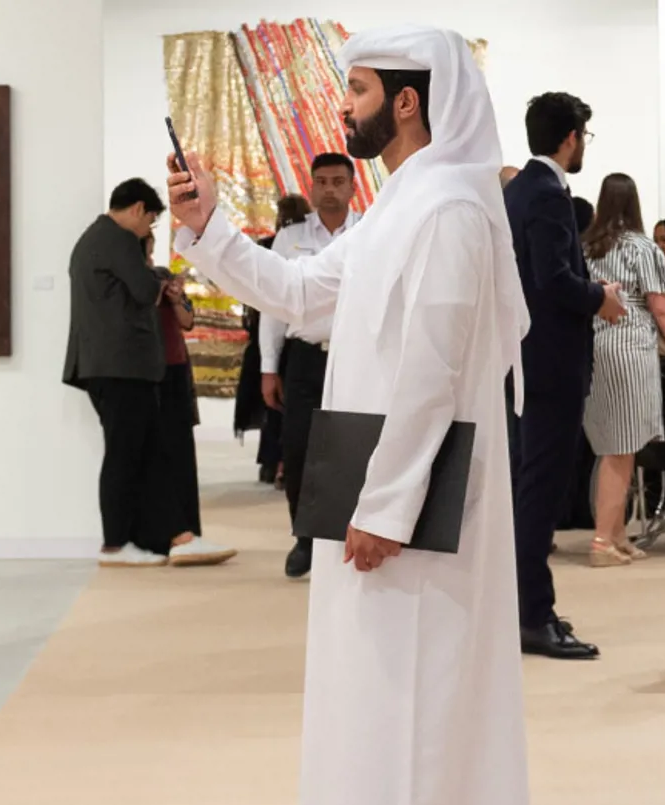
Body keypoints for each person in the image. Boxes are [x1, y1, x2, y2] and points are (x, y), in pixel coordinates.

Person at [168, 25, 531, 805]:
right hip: (374, 488)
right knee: (372, 686)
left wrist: (386, 508)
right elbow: (300, 294)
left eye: (358, 90)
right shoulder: (396, 208)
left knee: (419, 690)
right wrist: (208, 226)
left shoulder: (449, 211)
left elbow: (433, 372)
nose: (343, 106)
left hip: (412, 503)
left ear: (406, 103)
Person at [504, 91, 624, 660]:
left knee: (528, 486)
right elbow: (552, 281)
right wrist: (600, 296)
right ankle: (533, 615)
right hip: (551, 363)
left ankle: (523, 606)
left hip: (524, 359)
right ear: (571, 138)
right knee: (541, 491)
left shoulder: (517, 191)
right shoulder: (549, 195)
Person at [62, 178, 236, 568]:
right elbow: (143, 290)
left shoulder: (91, 240)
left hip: (107, 365)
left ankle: (178, 536)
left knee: (145, 452)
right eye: (151, 222)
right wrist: (160, 282)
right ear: (139, 209)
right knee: (127, 455)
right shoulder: (120, 238)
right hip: (121, 366)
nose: (147, 231)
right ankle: (116, 543)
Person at [259, 154, 363, 579]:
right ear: (312, 186)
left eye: (338, 181)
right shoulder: (290, 239)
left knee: (352, 446)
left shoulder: (371, 232)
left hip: (355, 355)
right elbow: (272, 304)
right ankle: (304, 538)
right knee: (299, 448)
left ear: (353, 186)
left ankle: (346, 535)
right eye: (321, 181)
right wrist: (269, 367)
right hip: (304, 358)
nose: (330, 189)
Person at [581, 173, 665, 566]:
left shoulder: (588, 247)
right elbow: (661, 307)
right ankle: (601, 542)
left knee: (612, 444)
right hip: (629, 346)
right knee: (622, 448)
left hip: (594, 344)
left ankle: (616, 534)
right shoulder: (641, 247)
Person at [236, 195, 311, 485]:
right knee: (280, 405)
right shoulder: (270, 246)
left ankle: (278, 462)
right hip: (278, 334)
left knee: (283, 406)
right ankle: (278, 462)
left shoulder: (273, 246)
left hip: (286, 338)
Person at [144, 233, 204, 537]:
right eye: (146, 253)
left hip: (174, 369)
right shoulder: (128, 282)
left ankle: (188, 527)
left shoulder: (161, 275)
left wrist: (176, 297)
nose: (150, 260)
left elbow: (187, 321)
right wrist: (154, 293)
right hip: (145, 372)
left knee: (181, 451)